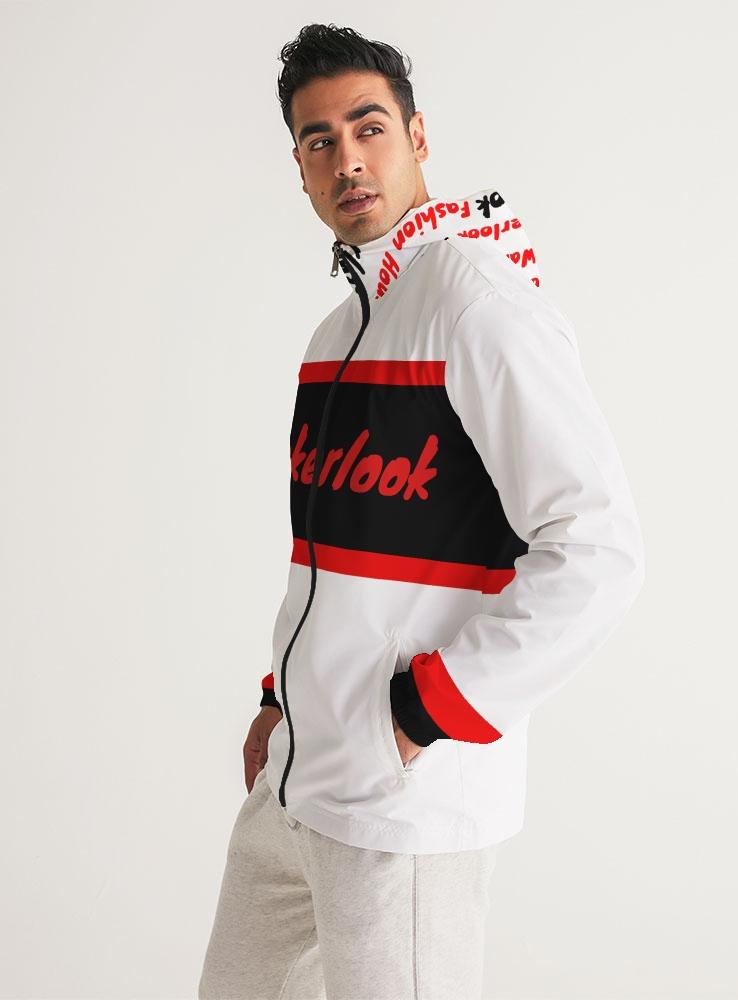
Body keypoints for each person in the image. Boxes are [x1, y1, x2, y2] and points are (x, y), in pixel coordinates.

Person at [198, 22, 645, 1000]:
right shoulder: (334, 336)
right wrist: (281, 696)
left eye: (368, 128)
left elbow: (597, 546)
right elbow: (340, 559)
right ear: (299, 169)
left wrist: (422, 713)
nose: (347, 160)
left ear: (417, 135)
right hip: (294, 783)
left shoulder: (477, 303)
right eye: (319, 141)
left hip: (401, 803)